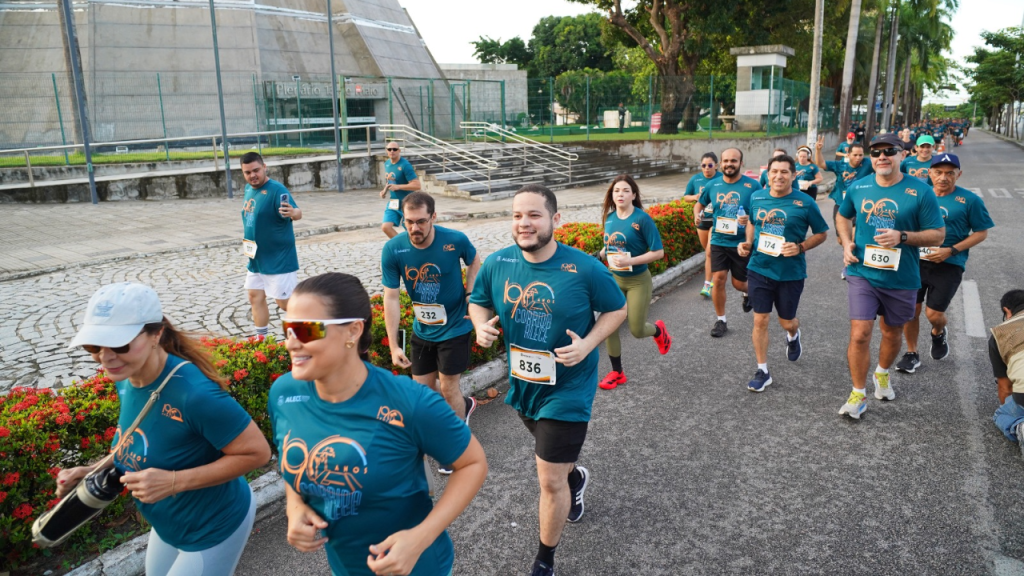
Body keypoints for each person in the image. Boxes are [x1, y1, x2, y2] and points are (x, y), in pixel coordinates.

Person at [271, 272, 487, 576]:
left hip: (417, 567)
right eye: (287, 329)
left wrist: (419, 539)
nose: (291, 343)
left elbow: (473, 463)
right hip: (345, 567)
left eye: (306, 330)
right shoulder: (284, 394)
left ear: (353, 331)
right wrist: (294, 507)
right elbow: (295, 457)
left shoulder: (408, 401)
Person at [59, 282, 271, 576]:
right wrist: (92, 469)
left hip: (213, 526)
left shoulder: (194, 394)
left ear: (156, 333)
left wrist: (173, 481)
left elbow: (258, 453)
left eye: (120, 344)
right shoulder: (127, 376)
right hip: (168, 524)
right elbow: (135, 438)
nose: (105, 357)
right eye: (94, 346)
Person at [468, 184, 627, 576]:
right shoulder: (498, 263)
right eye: (518, 215)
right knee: (555, 463)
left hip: (569, 388)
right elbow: (478, 299)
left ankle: (544, 560)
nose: (524, 223)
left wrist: (588, 344)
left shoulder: (585, 268)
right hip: (523, 385)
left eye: (534, 215)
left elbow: (617, 308)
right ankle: (576, 475)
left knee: (548, 479)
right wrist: (478, 327)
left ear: (556, 219)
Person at [835, 133, 945, 419]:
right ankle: (858, 394)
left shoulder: (921, 191)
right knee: (860, 334)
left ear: (902, 155)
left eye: (889, 151)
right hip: (863, 272)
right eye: (876, 152)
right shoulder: (859, 187)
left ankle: (882, 373)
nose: (882, 156)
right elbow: (842, 216)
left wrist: (903, 236)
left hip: (902, 276)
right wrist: (846, 243)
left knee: (892, 331)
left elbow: (938, 234)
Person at [381, 191, 482, 473]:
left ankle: (456, 446)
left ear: (433, 217)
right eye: (409, 222)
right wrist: (393, 345)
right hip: (422, 330)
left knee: (448, 387)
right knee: (424, 392)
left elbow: (474, 261)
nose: (415, 228)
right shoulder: (394, 249)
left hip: (455, 327)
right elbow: (390, 297)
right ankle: (464, 405)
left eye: (421, 221)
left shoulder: (454, 240)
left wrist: (471, 293)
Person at [737, 155, 829, 392]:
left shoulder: (805, 203)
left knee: (786, 321)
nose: (779, 176)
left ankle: (793, 335)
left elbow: (821, 233)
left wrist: (801, 247)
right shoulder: (756, 197)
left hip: (790, 272)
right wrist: (747, 243)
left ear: (793, 175)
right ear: (767, 173)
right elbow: (752, 223)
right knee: (760, 319)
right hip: (759, 267)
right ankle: (762, 370)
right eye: (774, 171)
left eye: (784, 172)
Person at [896, 153, 994, 373]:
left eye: (950, 173)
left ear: (958, 174)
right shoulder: (917, 195)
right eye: (938, 172)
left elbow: (981, 232)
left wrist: (951, 250)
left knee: (934, 314)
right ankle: (912, 353)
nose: (943, 177)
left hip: (950, 263)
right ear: (929, 172)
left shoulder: (970, 200)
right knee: (911, 309)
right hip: (915, 261)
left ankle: (938, 333)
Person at [596, 175, 673, 390]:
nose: (620, 194)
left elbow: (658, 252)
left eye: (625, 190)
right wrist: (598, 256)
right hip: (614, 280)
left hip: (638, 281)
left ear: (634, 195)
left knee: (637, 330)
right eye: (616, 191)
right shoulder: (610, 218)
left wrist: (631, 260)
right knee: (609, 326)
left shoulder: (642, 219)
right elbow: (610, 244)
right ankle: (617, 372)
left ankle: (658, 331)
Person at [694, 148, 760, 338]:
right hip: (719, 241)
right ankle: (721, 320)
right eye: (726, 161)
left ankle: (747, 293)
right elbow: (700, 203)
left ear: (741, 163)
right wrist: (697, 215)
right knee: (719, 279)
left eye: (734, 160)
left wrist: (749, 218)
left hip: (741, 243)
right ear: (720, 164)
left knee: (739, 284)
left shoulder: (753, 186)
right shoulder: (713, 185)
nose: (729, 164)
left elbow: (761, 211)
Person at [241, 152, 302, 339]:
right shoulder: (248, 189)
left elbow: (297, 213)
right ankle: (262, 340)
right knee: (254, 296)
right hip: (256, 257)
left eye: (256, 170)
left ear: (264, 167)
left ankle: (312, 336)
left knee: (285, 303)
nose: (252, 175)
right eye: (247, 172)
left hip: (279, 258)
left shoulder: (277, 190)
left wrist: (293, 212)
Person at [682, 152, 721, 298]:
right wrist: (695, 197)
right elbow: (686, 197)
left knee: (710, 251)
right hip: (702, 220)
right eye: (703, 165)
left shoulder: (722, 179)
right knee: (708, 252)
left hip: (718, 220)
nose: (706, 168)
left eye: (710, 165)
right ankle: (717, 272)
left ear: (716, 166)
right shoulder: (696, 179)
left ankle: (707, 284)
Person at [990, 290, 1024, 453]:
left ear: (1007, 311)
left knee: (1001, 415)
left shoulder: (1000, 333)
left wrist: (1008, 405)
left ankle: (1020, 425)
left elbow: (1005, 388)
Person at [380, 143, 422, 239]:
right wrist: (384, 190)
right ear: (386, 151)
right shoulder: (387, 164)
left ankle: (414, 248)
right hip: (393, 202)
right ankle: (400, 245)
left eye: (395, 149)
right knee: (386, 227)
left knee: (410, 229)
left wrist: (399, 187)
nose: (392, 151)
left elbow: (417, 185)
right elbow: (390, 180)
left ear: (399, 151)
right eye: (389, 149)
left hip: (408, 202)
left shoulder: (405, 165)